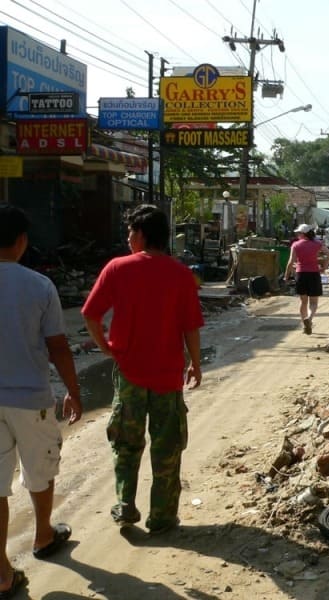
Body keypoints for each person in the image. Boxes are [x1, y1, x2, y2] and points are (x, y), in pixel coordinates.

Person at [82, 204, 203, 535]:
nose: (128, 238)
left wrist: (105, 346)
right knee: (167, 446)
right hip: (167, 376)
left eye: (130, 232)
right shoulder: (180, 274)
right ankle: (162, 517)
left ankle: (125, 505)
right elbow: (190, 326)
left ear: (140, 234)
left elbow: (90, 315)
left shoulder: (117, 268)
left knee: (126, 443)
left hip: (129, 374)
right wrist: (196, 362)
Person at [0, 204, 82, 595]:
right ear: (22, 242)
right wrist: (73, 391)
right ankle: (43, 536)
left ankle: (1, 573)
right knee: (40, 469)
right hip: (30, 398)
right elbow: (58, 346)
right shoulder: (38, 285)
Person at [284, 224, 329, 334]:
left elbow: (291, 262)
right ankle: (309, 320)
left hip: (301, 274)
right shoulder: (317, 243)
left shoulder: (296, 245)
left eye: (299, 233)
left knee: (303, 301)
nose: (297, 235)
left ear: (303, 234)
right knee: (314, 302)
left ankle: (304, 324)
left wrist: (286, 276)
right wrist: (324, 267)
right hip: (314, 274)